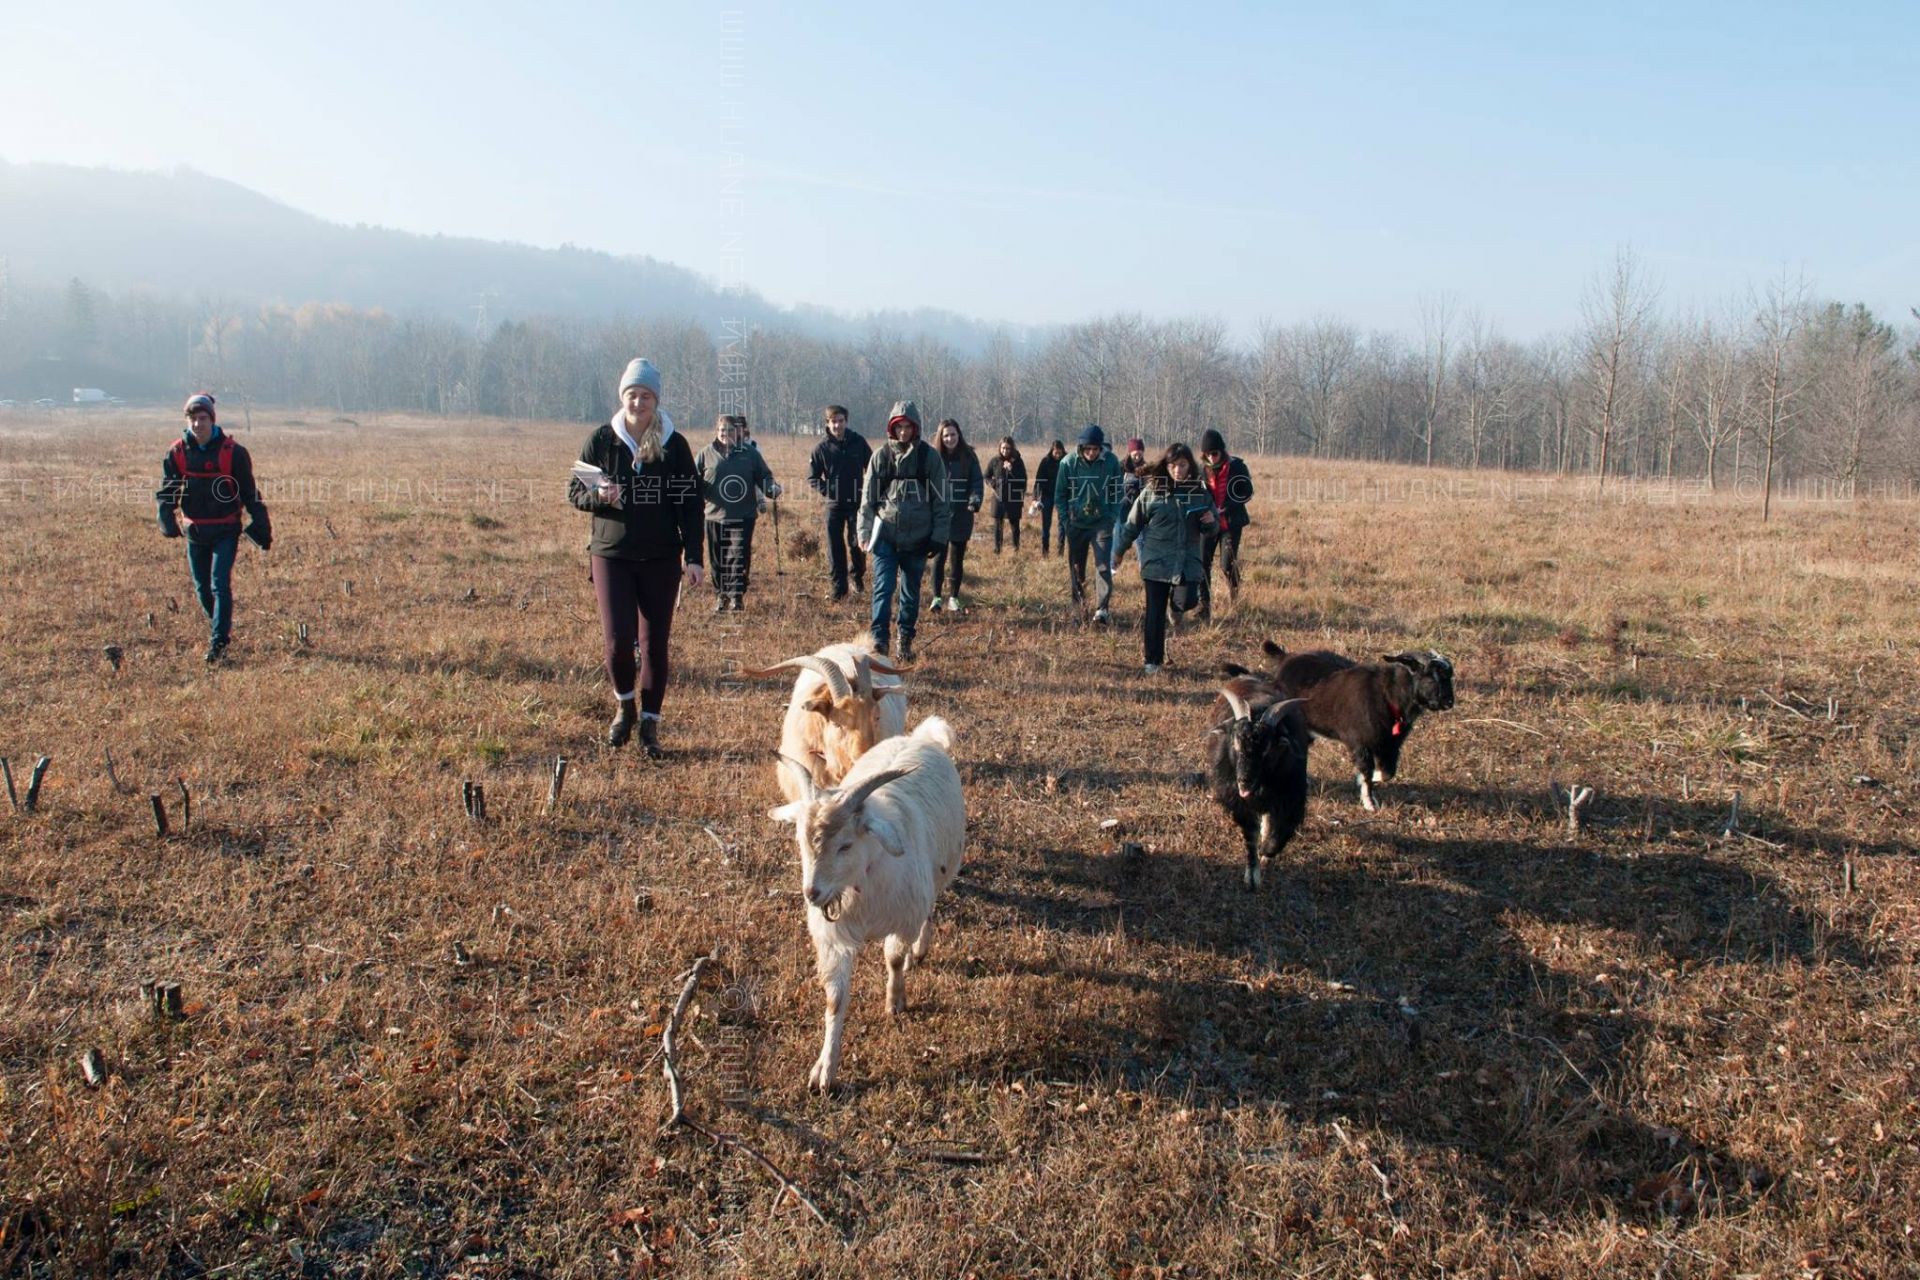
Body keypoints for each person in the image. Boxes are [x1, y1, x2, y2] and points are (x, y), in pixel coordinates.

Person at [568, 357, 705, 757]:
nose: (639, 402)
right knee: (617, 641)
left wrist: (694, 558)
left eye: (646, 396)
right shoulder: (601, 441)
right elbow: (574, 492)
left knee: (654, 644)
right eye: (632, 395)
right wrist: (598, 495)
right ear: (622, 397)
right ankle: (625, 707)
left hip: (662, 558)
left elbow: (690, 505)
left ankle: (650, 726)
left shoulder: (673, 445)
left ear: (656, 400)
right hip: (611, 554)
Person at [154, 392, 270, 664]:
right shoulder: (178, 452)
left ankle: (219, 641)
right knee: (202, 589)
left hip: (225, 530)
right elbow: (168, 490)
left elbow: (249, 491)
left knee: (220, 585)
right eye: (192, 419)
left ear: (212, 420)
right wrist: (165, 516)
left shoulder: (234, 453)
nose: (197, 424)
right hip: (195, 531)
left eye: (202, 418)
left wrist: (260, 521)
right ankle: (221, 625)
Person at [1113, 442, 1217, 673]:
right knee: (1154, 613)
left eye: (1182, 465)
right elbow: (1132, 524)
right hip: (1156, 562)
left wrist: (1211, 523)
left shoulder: (1199, 494)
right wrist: (1119, 551)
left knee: (1188, 600)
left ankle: (1177, 609)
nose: (1178, 470)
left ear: (1190, 466)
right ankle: (1153, 660)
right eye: (1173, 466)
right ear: (1166, 467)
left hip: (1186, 563)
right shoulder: (1153, 491)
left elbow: (1212, 528)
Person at [858, 400, 949, 662]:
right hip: (885, 536)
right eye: (898, 427)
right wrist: (864, 534)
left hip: (918, 539)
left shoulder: (929, 458)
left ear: (916, 428)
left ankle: (905, 639)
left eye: (908, 427)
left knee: (910, 594)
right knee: (883, 590)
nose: (903, 432)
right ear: (892, 427)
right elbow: (868, 499)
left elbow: (942, 500)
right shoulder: (881, 457)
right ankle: (879, 642)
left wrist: (939, 536)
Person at [695, 413, 780, 612]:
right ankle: (721, 596)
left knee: (738, 555)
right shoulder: (706, 453)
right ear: (717, 432)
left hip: (743, 515)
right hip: (714, 515)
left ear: (738, 432)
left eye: (730, 430)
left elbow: (764, 476)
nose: (726, 434)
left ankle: (736, 596)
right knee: (717, 559)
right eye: (722, 430)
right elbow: (692, 477)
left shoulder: (750, 453)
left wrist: (771, 488)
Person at [1054, 424, 1125, 623]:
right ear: (1081, 448)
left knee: (1103, 566)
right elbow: (1060, 494)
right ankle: (1078, 610)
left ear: (1101, 448)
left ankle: (1102, 610)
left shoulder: (1111, 462)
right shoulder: (1068, 463)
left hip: (1102, 523)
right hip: (1076, 524)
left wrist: (1112, 516)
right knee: (1077, 568)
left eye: (1096, 449)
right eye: (1088, 449)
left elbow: (1117, 492)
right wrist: (1065, 519)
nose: (1092, 453)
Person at [808, 404, 871, 601]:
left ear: (846, 421)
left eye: (840, 421)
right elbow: (813, 478)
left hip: (856, 503)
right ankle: (839, 587)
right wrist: (828, 491)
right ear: (827, 423)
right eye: (833, 421)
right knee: (835, 547)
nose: (837, 425)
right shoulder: (821, 448)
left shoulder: (858, 442)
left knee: (857, 543)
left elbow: (872, 468)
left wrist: (869, 491)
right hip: (834, 506)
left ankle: (857, 576)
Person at [1197, 428, 1255, 619]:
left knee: (1227, 565)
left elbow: (1247, 492)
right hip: (1207, 524)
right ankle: (1203, 606)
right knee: (1202, 564)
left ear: (1222, 451)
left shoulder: (1237, 467)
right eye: (1208, 454)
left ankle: (1235, 596)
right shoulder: (1200, 470)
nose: (1212, 458)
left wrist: (1225, 508)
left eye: (1215, 453)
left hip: (1230, 523)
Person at [929, 418, 982, 612]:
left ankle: (953, 597)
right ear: (940, 438)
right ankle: (936, 598)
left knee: (956, 559)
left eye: (953, 434)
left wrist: (974, 500)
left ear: (959, 434)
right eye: (945, 435)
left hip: (962, 513)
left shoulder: (969, 456)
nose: (950, 438)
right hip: (939, 515)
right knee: (938, 558)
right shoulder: (934, 457)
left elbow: (976, 481)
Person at [985, 435, 1027, 554]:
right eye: (1003, 448)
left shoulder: (1018, 461)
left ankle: (1016, 549)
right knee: (998, 526)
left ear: (1012, 448)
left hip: (1013, 498)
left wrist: (1011, 469)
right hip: (999, 498)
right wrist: (993, 483)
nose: (1005, 451)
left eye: (1008, 448)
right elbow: (986, 475)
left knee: (1015, 526)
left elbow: (1023, 480)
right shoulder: (995, 461)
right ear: (999, 448)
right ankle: (997, 550)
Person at [1031, 439, 1067, 557]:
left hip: (1062, 496)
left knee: (1062, 525)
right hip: (1047, 495)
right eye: (1055, 452)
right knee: (1046, 525)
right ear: (1052, 451)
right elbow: (1038, 481)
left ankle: (1060, 553)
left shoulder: (1067, 462)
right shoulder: (1045, 462)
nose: (1057, 455)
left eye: (1059, 453)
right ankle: (1045, 553)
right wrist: (1035, 498)